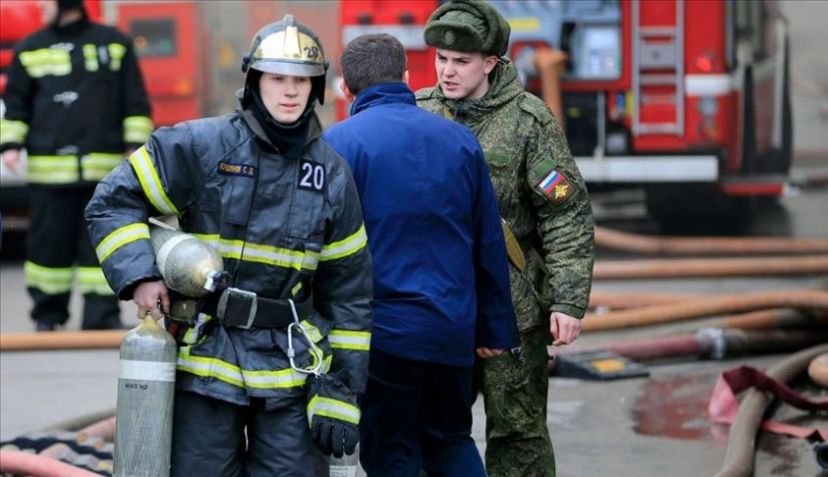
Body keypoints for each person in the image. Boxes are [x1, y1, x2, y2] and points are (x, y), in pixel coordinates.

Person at [85, 15, 372, 477]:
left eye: (302, 80)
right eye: (277, 78)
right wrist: (140, 275)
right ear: (255, 81)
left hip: (291, 368)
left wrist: (340, 393)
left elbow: (350, 295)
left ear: (317, 89)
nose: (290, 91)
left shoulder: (332, 175)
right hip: (206, 359)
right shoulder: (202, 145)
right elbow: (112, 202)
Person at [323, 33, 516, 476]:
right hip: (452, 332)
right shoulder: (460, 141)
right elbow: (488, 239)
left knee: (393, 450)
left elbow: (323, 246)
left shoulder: (338, 145)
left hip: (383, 336)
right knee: (450, 439)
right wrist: (493, 327)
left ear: (347, 90)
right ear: (408, 78)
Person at [416, 1, 596, 476]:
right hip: (438, 306)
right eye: (441, 59)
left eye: (462, 61)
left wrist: (567, 301)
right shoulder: (420, 114)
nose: (447, 72)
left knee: (518, 434)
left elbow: (566, 214)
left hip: (513, 312)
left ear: (491, 62)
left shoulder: (529, 122)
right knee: (429, 430)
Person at [0, 0, 152, 331]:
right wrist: (10, 145)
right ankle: (47, 316)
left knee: (99, 248)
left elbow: (134, 98)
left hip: (103, 175)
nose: (40, 7)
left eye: (46, 2)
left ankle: (101, 317)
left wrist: (135, 146)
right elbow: (16, 103)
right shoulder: (30, 48)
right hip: (48, 176)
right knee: (46, 250)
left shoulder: (114, 43)